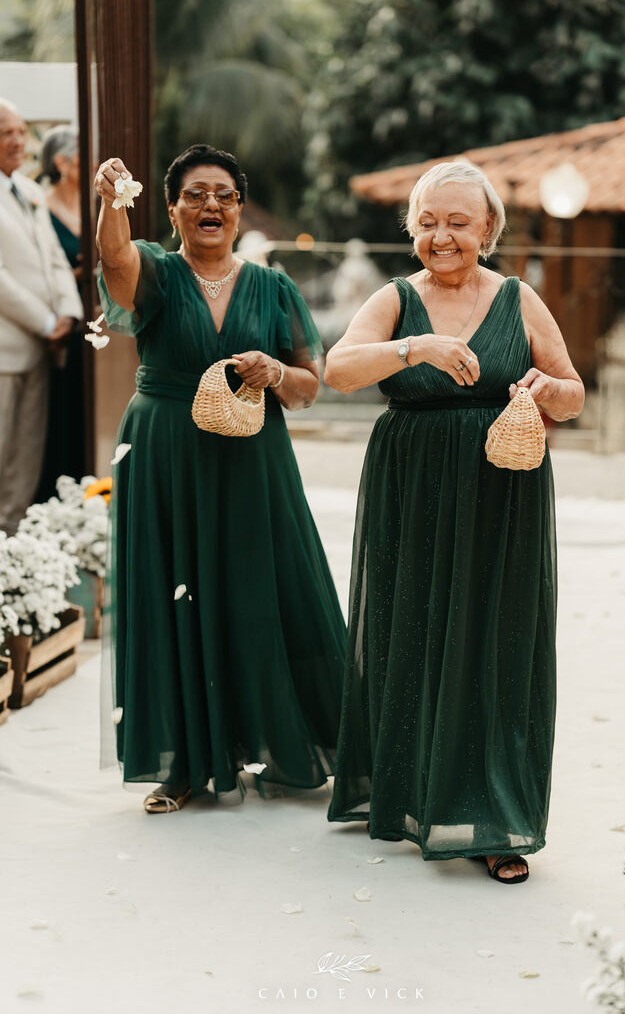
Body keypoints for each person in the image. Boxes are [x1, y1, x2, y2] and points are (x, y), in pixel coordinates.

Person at [324, 160, 584, 883]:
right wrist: (414, 347)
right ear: (413, 230)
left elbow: (573, 396)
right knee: (412, 630)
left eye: (458, 223)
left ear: (489, 230)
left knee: (498, 641)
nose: (442, 237)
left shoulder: (521, 300)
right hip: (413, 488)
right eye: (428, 222)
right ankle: (410, 795)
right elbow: (337, 369)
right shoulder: (394, 299)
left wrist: (545, 385)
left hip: (504, 492)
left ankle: (497, 815)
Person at [94, 143, 346, 814]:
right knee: (169, 596)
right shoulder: (154, 269)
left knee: (260, 589)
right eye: (196, 194)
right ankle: (184, 764)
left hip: (251, 455)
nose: (211, 205)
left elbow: (308, 386)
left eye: (225, 196)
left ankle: (287, 741)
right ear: (173, 207)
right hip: (164, 453)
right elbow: (114, 263)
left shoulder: (274, 287)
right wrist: (111, 200)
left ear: (238, 209)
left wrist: (275, 372)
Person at [0, 99, 82, 533]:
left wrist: (69, 313)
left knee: (26, 457)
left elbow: (54, 259)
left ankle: (11, 547)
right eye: (5, 131)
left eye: (20, 130)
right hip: (6, 349)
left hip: (43, 349)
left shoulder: (30, 191)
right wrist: (45, 322)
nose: (17, 139)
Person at [34, 125, 86, 501]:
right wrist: (74, 276)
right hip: (57, 327)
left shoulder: (95, 204)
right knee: (58, 413)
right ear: (62, 162)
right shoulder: (40, 206)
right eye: (85, 154)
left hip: (96, 329)